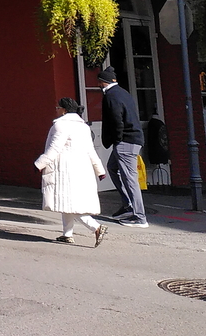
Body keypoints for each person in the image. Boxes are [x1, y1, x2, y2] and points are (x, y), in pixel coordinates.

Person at [35, 97, 108, 246]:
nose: (56, 110)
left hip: (65, 170)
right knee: (67, 201)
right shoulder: (83, 126)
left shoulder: (61, 125)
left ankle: (96, 227)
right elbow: (90, 150)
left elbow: (54, 149)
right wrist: (100, 170)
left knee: (71, 203)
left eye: (57, 107)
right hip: (82, 169)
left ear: (64, 110)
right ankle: (67, 234)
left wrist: (39, 164)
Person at [98, 66, 147, 227]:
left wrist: (117, 140)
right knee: (112, 167)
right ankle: (128, 205)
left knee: (129, 178)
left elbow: (116, 120)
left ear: (102, 82)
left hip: (126, 141)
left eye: (99, 83)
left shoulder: (111, 96)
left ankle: (139, 216)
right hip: (132, 138)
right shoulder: (123, 93)